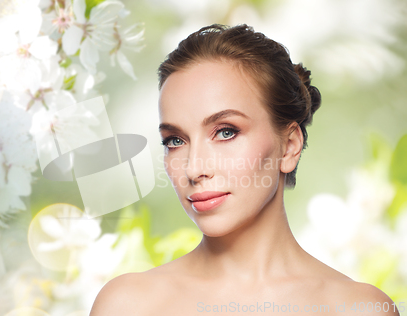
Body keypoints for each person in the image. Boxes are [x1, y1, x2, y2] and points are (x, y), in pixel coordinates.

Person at [89, 24, 399, 316]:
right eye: (175, 140)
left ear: (289, 145)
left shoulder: (359, 308)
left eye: (226, 131)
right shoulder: (129, 305)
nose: (194, 168)